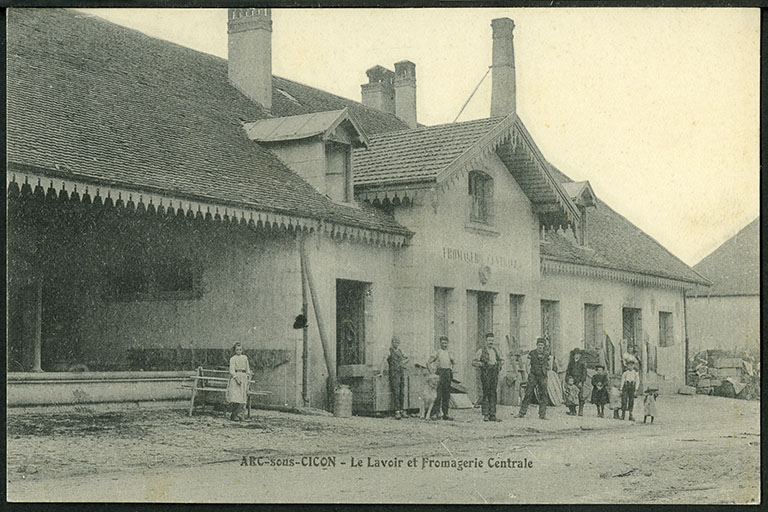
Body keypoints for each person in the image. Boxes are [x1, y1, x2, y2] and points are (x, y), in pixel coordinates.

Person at [473, 333, 503, 422]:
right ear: (486, 341)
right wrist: (481, 364)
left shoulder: (495, 350)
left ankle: (492, 414)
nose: (491, 342)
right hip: (485, 374)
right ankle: (486, 415)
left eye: (492, 340)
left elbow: (500, 360)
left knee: (493, 393)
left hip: (494, 373)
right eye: (489, 340)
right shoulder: (481, 351)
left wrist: (500, 364)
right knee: (485, 393)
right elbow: (474, 362)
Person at [517, 338, 550, 419]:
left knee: (543, 394)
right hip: (533, 375)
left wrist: (546, 373)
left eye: (542, 345)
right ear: (537, 345)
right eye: (539, 345)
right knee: (528, 393)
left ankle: (542, 414)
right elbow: (527, 364)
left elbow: (549, 365)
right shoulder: (532, 353)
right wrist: (529, 373)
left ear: (544, 346)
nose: (540, 347)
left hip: (542, 376)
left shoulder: (546, 354)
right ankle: (522, 413)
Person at [380, 336, 409, 419]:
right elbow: (383, 361)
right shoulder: (389, 351)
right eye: (395, 342)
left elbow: (408, 358)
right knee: (396, 391)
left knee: (402, 391)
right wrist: (381, 372)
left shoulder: (400, 351)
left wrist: (403, 362)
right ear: (392, 342)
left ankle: (402, 410)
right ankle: (397, 411)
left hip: (401, 372)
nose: (396, 344)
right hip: (393, 373)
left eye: (398, 342)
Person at [427, 336, 456, 421]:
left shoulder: (450, 353)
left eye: (446, 343)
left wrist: (452, 369)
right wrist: (432, 373)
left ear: (448, 343)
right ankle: (435, 413)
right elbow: (428, 362)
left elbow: (454, 363)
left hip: (447, 373)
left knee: (446, 394)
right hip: (439, 373)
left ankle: (445, 413)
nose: (444, 345)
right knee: (438, 395)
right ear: (440, 343)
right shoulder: (437, 352)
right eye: (443, 343)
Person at [226, 342, 251, 421]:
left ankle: (238, 414)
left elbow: (247, 369)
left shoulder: (245, 358)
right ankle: (234, 415)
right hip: (236, 378)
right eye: (237, 350)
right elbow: (231, 370)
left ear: (242, 350)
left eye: (240, 350)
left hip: (243, 378)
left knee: (242, 398)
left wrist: (247, 376)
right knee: (236, 398)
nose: (239, 351)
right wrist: (236, 378)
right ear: (234, 350)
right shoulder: (233, 359)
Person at [565, 348, 587, 416]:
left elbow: (584, 373)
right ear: (573, 355)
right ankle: (572, 410)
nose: (577, 356)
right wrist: (567, 380)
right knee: (571, 395)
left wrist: (581, 381)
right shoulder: (571, 363)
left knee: (580, 396)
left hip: (579, 381)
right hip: (572, 381)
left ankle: (580, 410)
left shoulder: (582, 363)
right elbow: (568, 372)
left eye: (578, 354)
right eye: (575, 354)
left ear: (580, 355)